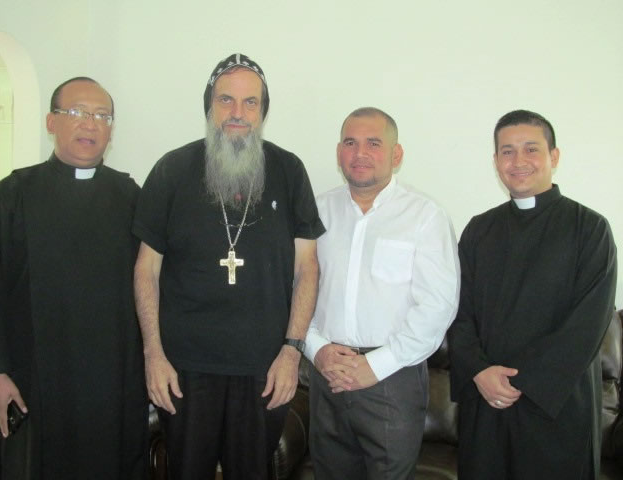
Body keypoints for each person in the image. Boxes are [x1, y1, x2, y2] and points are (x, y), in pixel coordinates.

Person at [132, 53, 324, 480]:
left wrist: (291, 352)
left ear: (263, 111)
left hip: (264, 369)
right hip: (184, 368)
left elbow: (308, 269)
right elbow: (146, 270)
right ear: (209, 106)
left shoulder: (288, 170)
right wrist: (153, 354)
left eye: (250, 102)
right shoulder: (171, 170)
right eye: (226, 100)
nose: (238, 113)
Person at [0, 77, 148, 479]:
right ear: (50, 122)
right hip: (32, 380)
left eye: (102, 116)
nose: (90, 124)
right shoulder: (10, 196)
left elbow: (151, 288)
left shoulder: (132, 199)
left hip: (112, 382)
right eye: (77, 112)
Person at [447, 109, 617, 480]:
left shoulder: (589, 229)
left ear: (554, 156)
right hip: (487, 401)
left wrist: (521, 381)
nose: (518, 160)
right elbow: (458, 312)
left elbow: (587, 326)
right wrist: (478, 370)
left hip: (557, 407)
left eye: (531, 149)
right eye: (507, 151)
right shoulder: (479, 230)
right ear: (496, 161)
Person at [304, 107, 460, 479]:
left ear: (396, 154)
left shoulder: (425, 216)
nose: (360, 153)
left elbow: (438, 305)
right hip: (327, 373)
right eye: (350, 143)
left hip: (393, 377)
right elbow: (295, 289)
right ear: (339, 152)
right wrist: (316, 349)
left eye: (373, 143)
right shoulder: (314, 212)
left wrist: (375, 365)